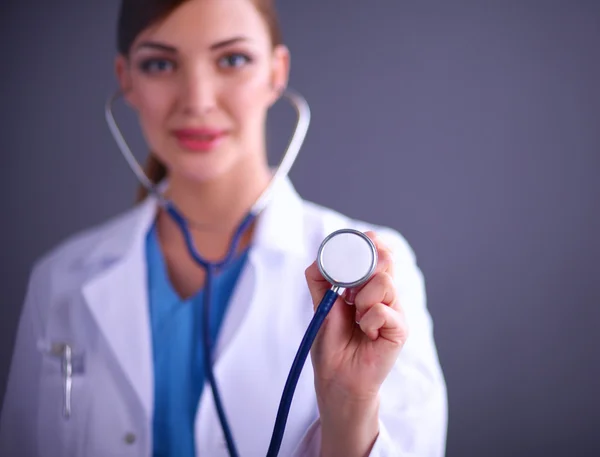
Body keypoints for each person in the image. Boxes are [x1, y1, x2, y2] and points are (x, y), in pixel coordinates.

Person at [0, 0, 448, 456]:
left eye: (232, 59)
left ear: (277, 72)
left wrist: (350, 406)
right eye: (160, 64)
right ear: (126, 80)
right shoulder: (60, 279)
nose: (197, 99)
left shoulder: (376, 275)